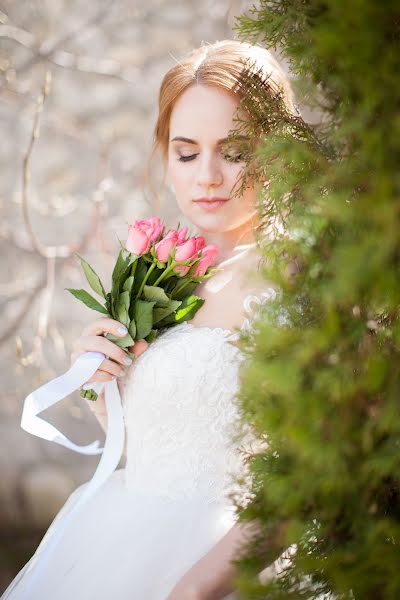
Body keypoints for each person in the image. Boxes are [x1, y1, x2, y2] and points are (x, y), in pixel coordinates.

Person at [2, 39, 299, 600]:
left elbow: (306, 472)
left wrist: (194, 588)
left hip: (226, 563)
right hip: (121, 539)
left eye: (233, 151)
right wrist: (102, 386)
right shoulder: (172, 269)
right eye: (186, 153)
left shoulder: (293, 282)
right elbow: (157, 445)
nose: (207, 176)